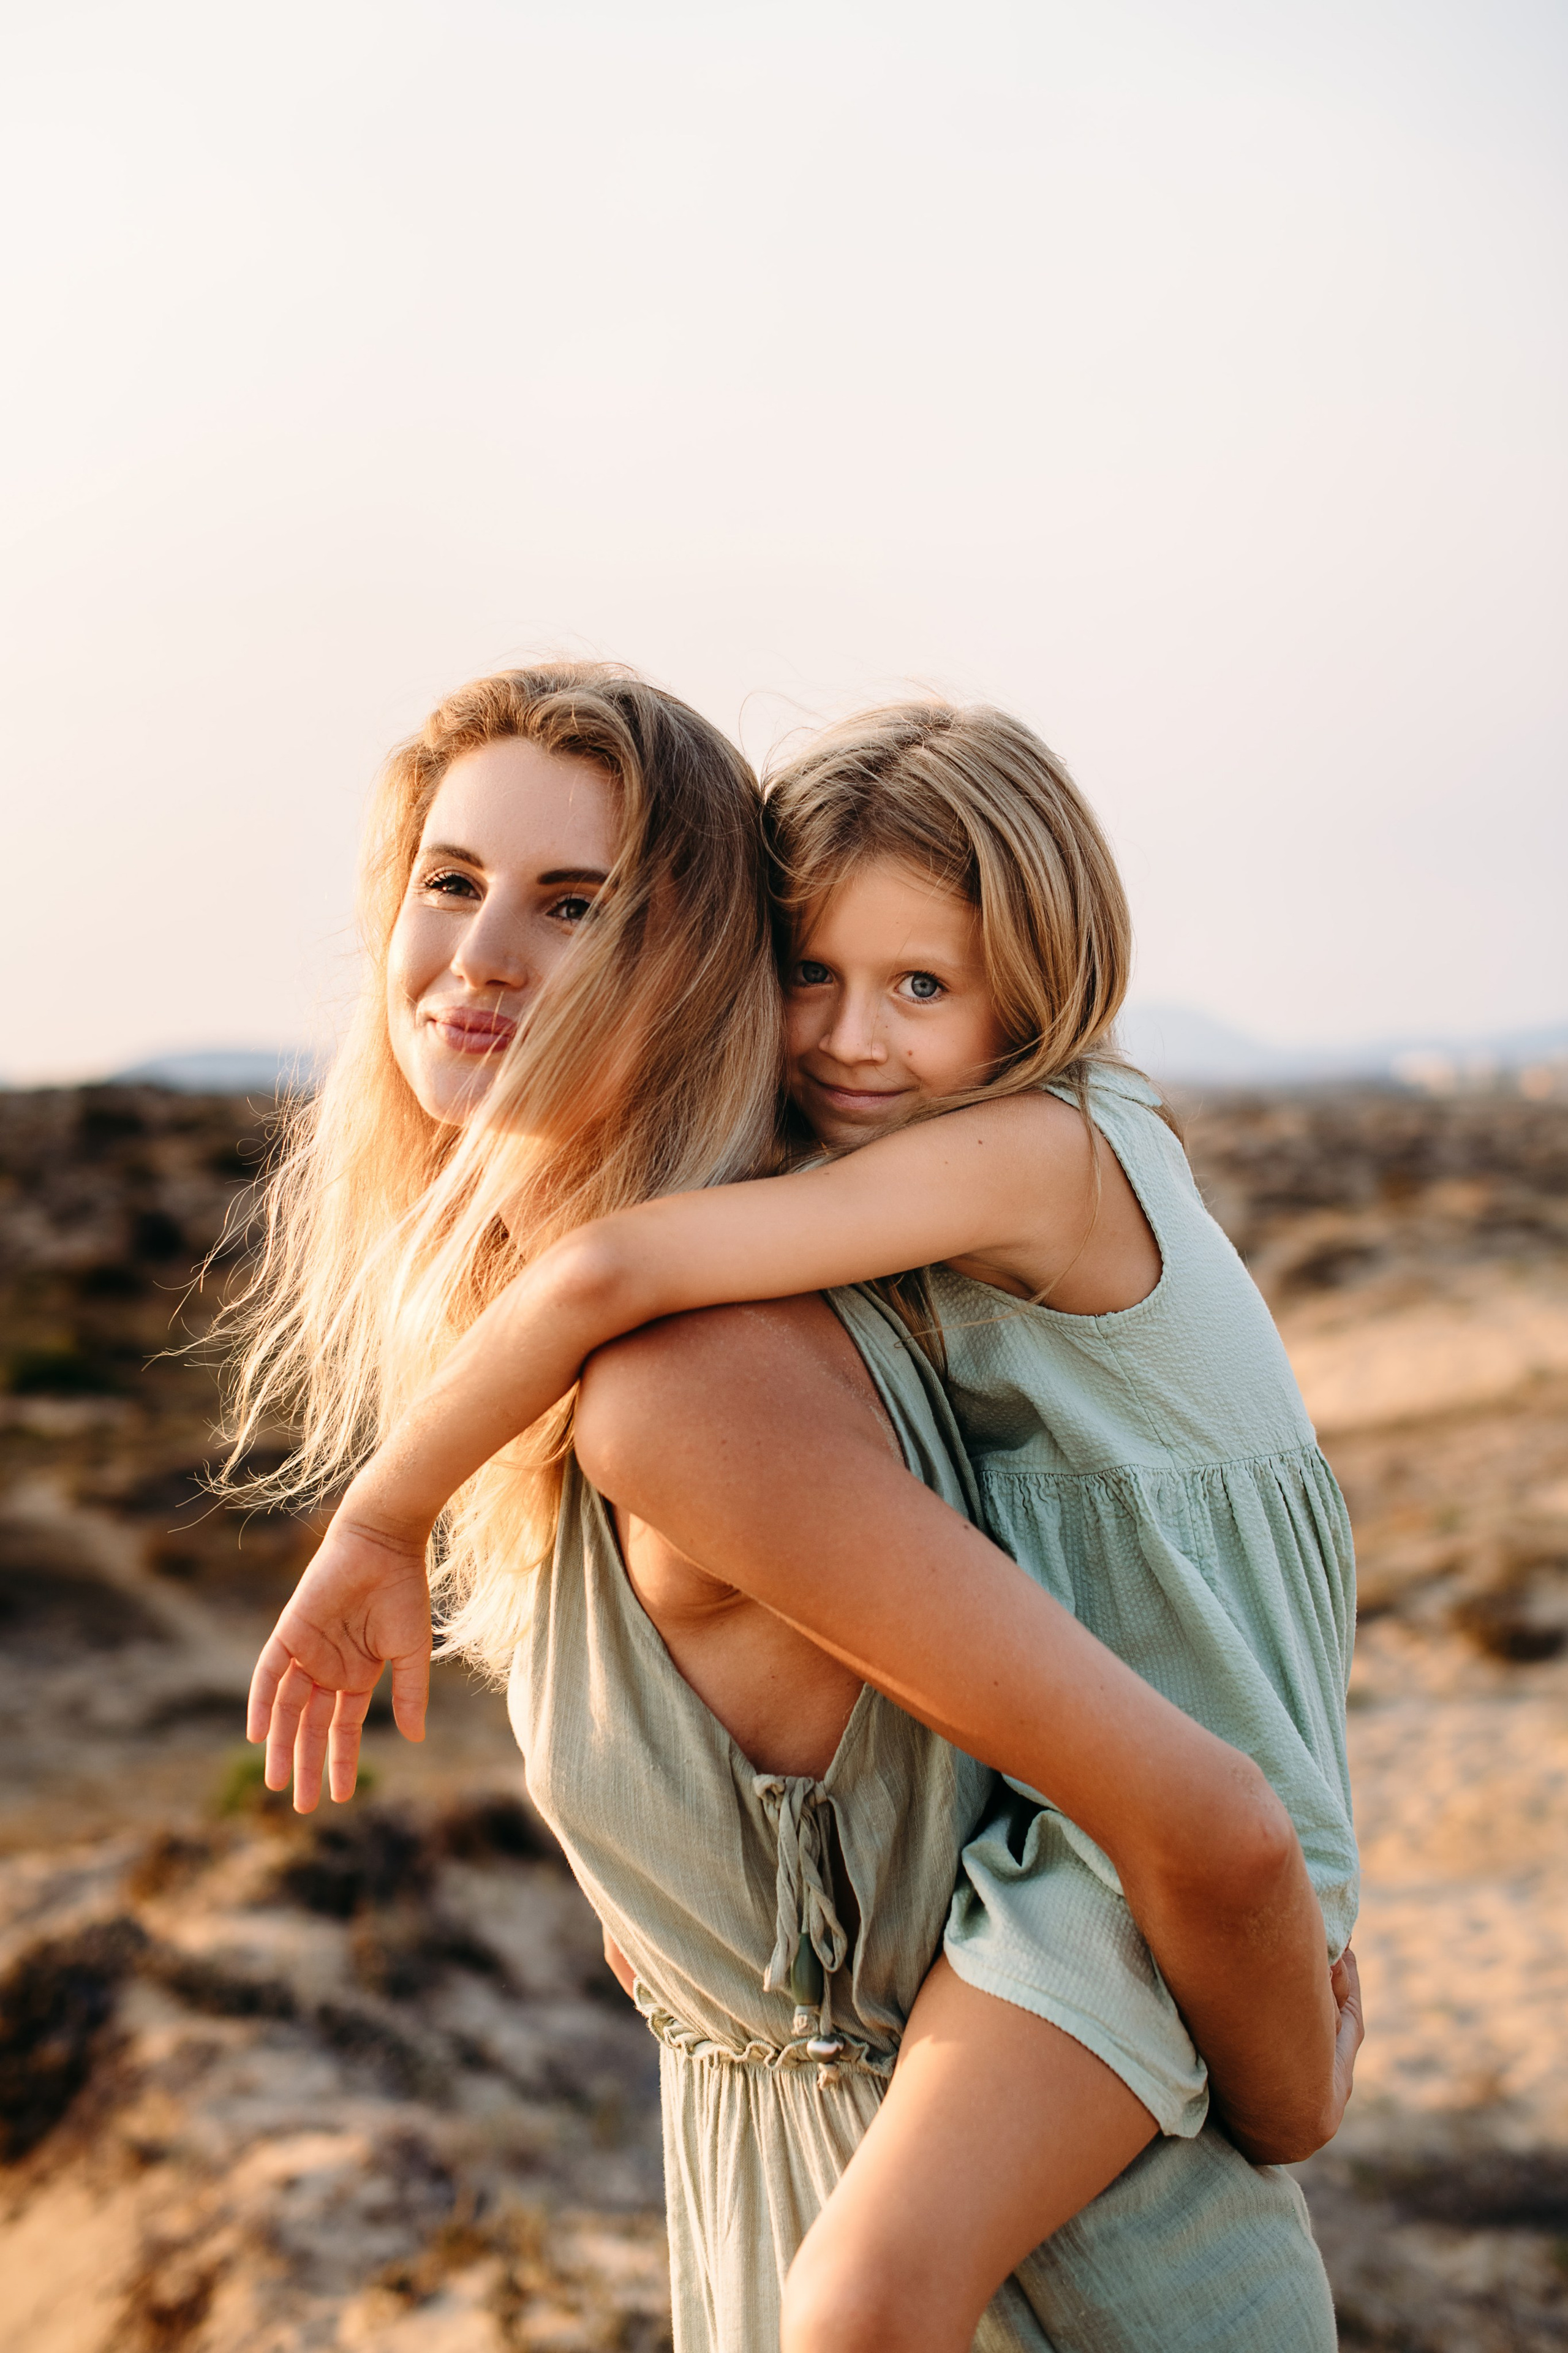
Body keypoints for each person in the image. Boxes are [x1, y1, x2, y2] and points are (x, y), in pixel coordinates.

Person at [234, 667, 1355, 2350]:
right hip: (814, 2191)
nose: (481, 953)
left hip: (1040, 2275)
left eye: (575, 904)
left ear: (697, 957)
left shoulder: (707, 1372)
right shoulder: (825, 1264)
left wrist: (1294, 2091)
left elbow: (1212, 1823)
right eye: (449, 879)